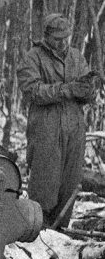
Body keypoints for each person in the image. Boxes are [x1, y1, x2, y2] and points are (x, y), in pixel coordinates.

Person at [17, 13, 97, 228]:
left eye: (66, 38)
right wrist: (65, 90)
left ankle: (60, 229)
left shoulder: (76, 57)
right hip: (46, 128)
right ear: (46, 37)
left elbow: (89, 93)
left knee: (69, 183)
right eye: (57, 38)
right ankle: (35, 228)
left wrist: (87, 90)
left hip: (74, 128)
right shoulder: (33, 58)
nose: (62, 43)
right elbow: (32, 91)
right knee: (45, 181)